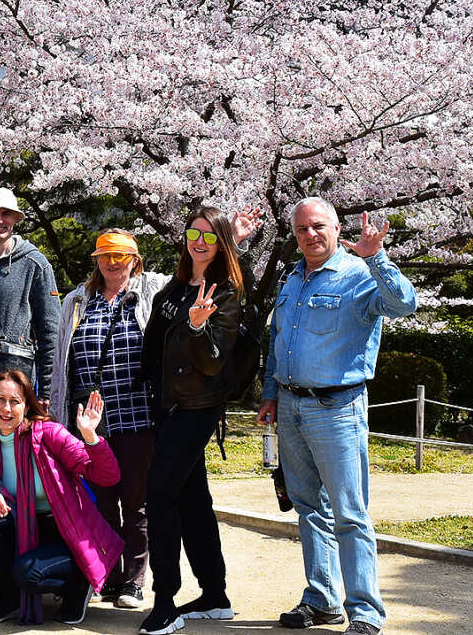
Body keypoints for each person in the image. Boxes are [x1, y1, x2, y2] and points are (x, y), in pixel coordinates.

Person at [255, 199, 415, 635]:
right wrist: (270, 394)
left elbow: (404, 305)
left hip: (337, 409)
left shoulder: (358, 275)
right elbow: (278, 340)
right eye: (302, 228)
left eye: (318, 226)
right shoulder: (291, 279)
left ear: (336, 227)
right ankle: (322, 599)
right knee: (308, 508)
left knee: (350, 513)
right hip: (290, 407)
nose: (310, 234)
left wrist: (376, 257)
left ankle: (365, 611)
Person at [136, 204, 262, 635]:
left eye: (211, 236)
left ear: (221, 243)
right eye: (195, 233)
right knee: (192, 501)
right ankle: (214, 594)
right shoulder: (173, 287)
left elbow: (212, 362)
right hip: (165, 406)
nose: (200, 242)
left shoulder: (225, 292)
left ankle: (164, 600)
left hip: (196, 407)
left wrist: (194, 327)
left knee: (160, 496)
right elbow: (152, 348)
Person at [48, 229, 171, 609]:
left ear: (135, 259)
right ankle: (110, 575)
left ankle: (135, 580)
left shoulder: (149, 292)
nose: (113, 262)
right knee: (100, 502)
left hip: (136, 415)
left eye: (121, 256)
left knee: (136, 502)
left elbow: (195, 273)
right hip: (90, 421)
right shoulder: (78, 300)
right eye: (105, 255)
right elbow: (61, 361)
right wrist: (57, 415)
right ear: (96, 260)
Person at [0, 371, 123, 625]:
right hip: (26, 528)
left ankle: (78, 583)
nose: (6, 408)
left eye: (15, 401)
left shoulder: (49, 434)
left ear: (27, 404)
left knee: (27, 575)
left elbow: (108, 476)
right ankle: (9, 597)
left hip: (67, 533)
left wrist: (90, 437)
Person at [0, 188, 60, 405]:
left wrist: (46, 390)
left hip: (17, 381)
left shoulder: (35, 265)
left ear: (16, 218)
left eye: (6, 213)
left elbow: (50, 330)